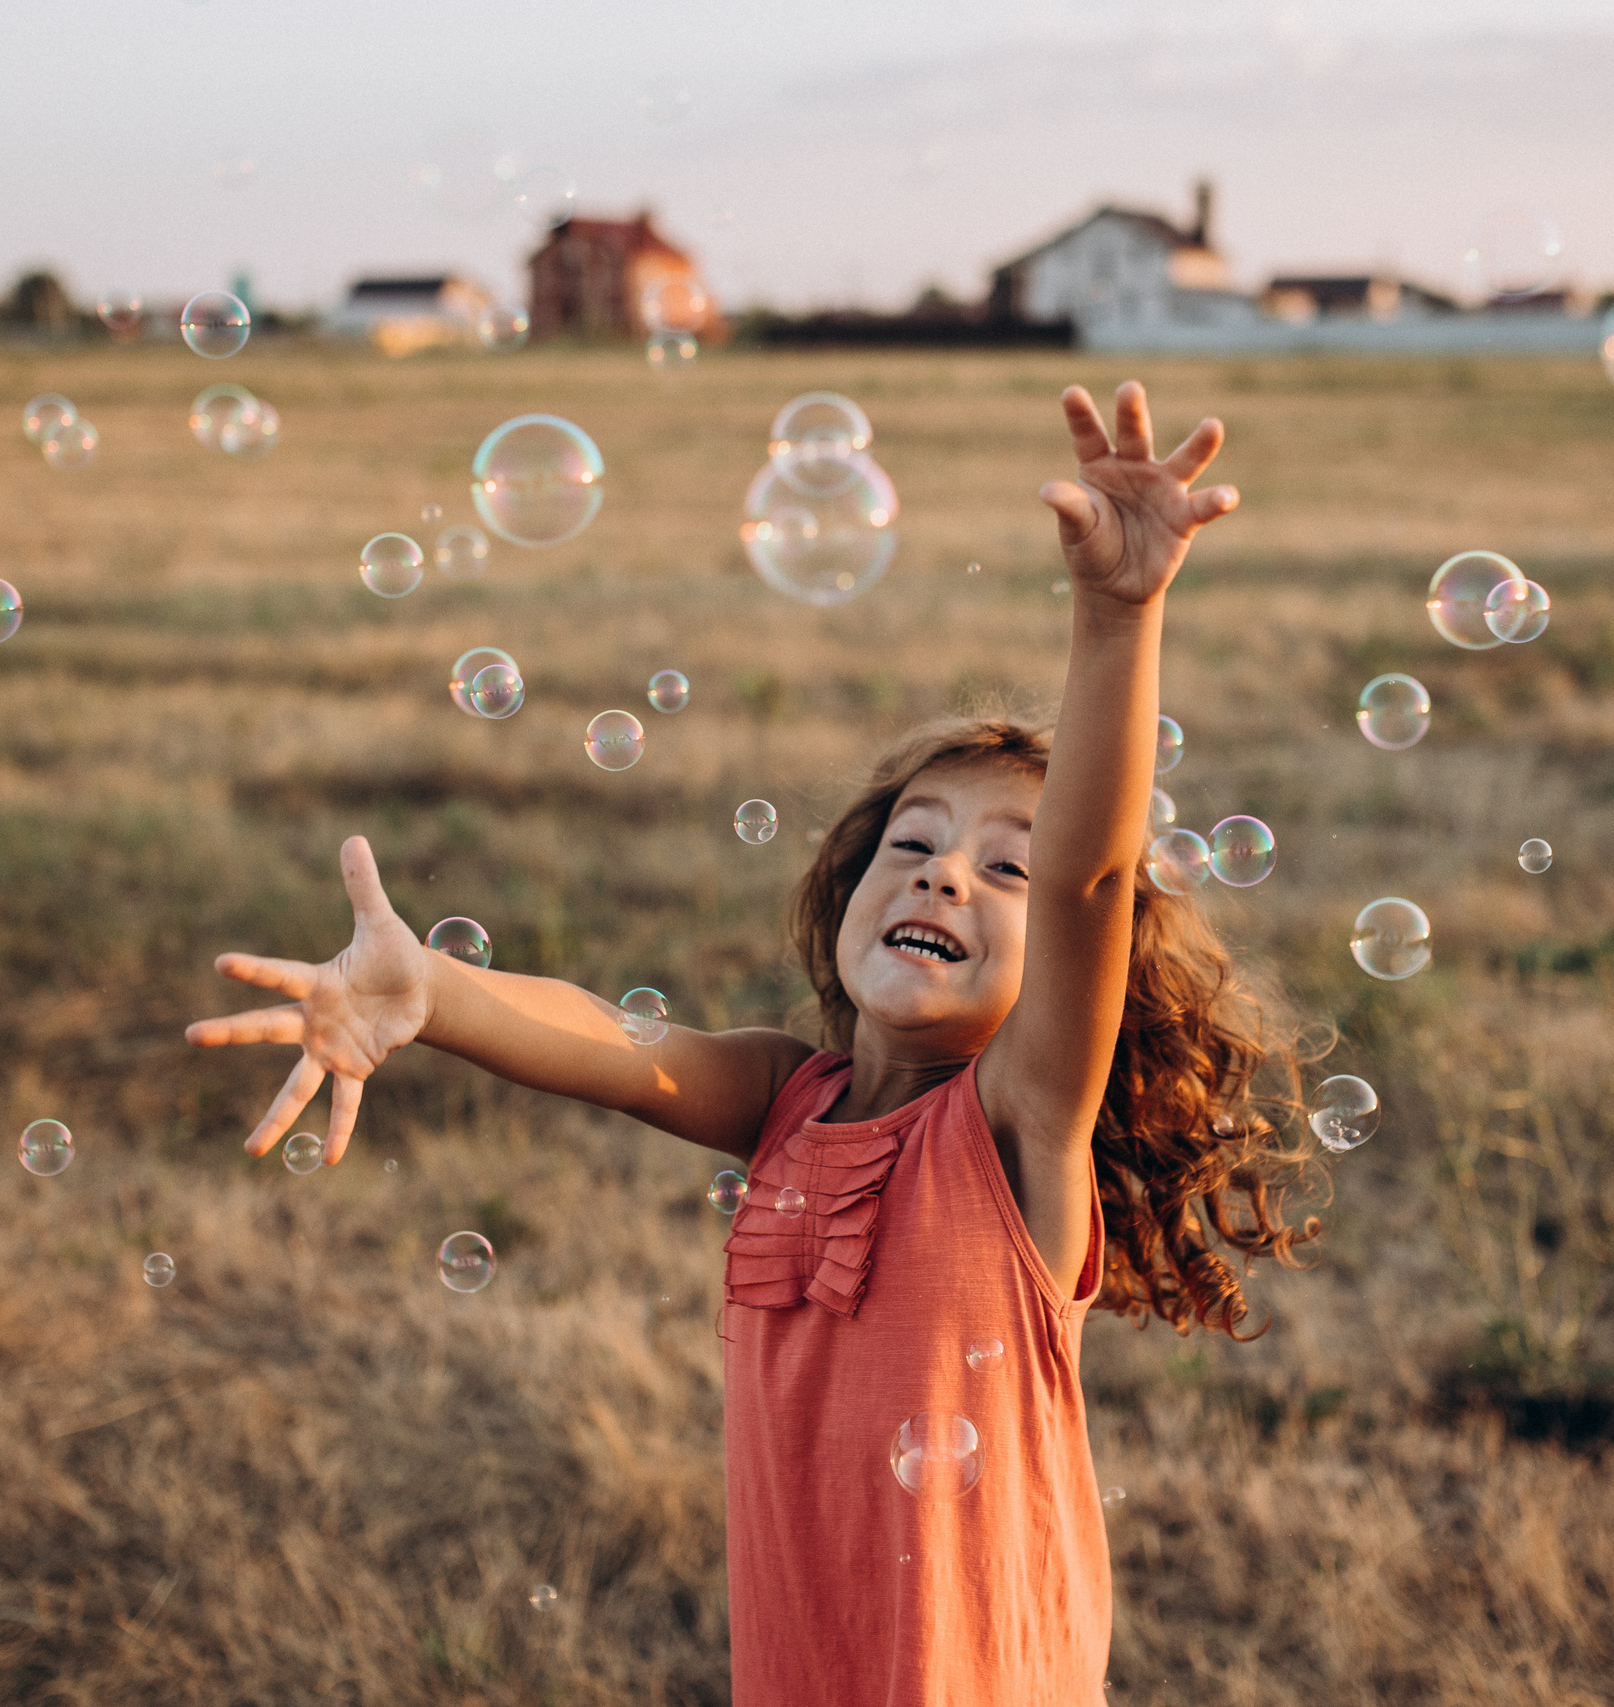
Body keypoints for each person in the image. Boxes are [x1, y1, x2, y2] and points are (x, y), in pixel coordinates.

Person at [187, 381, 1327, 1705]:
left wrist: (1119, 615)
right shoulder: (790, 1098)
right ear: (849, 888)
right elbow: (617, 1043)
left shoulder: (1017, 1126)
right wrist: (433, 992)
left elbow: (1088, 880)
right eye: (908, 846)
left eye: (997, 869)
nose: (941, 877)